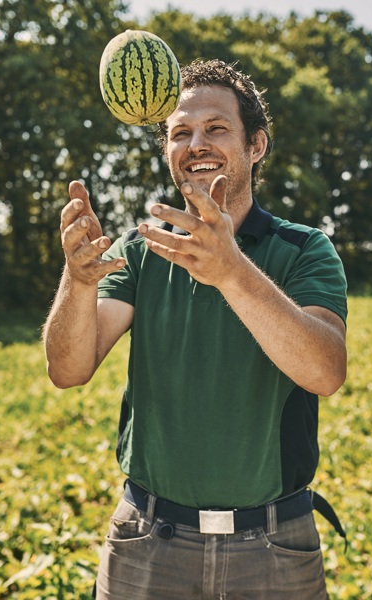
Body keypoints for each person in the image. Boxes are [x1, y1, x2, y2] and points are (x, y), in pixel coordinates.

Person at [43, 59, 348, 599]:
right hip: (147, 540)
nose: (196, 143)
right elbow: (68, 369)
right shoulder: (138, 251)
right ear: (167, 151)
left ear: (255, 145)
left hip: (275, 545)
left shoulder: (304, 250)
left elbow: (325, 371)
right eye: (181, 132)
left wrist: (232, 271)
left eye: (216, 128)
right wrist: (78, 278)